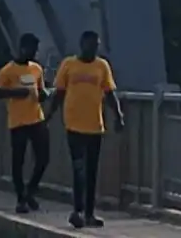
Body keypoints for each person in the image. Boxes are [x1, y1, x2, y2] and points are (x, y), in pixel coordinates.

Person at [51, 30, 123, 230]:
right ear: (82, 44)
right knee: (79, 169)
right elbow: (59, 93)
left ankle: (89, 214)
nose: (93, 48)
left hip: (95, 126)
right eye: (91, 44)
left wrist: (118, 115)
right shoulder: (68, 65)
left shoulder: (102, 66)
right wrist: (48, 116)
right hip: (74, 125)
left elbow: (109, 93)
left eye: (96, 45)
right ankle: (78, 211)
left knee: (91, 172)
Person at [0, 31, 50, 211]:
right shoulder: (9, 69)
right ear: (23, 48)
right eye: (32, 49)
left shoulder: (37, 69)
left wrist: (43, 95)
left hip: (36, 118)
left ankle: (30, 191)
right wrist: (15, 93)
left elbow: (39, 90)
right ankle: (20, 199)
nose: (34, 53)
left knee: (43, 158)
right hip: (18, 121)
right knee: (19, 161)